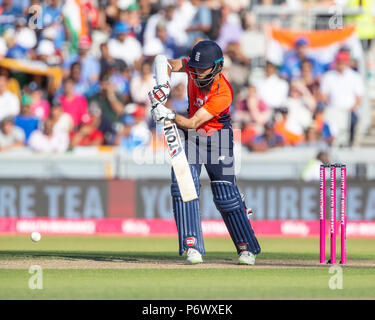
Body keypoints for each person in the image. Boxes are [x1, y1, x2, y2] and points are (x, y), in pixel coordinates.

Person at [148, 40, 261, 265]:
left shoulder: (223, 93)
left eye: (203, 69)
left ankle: (246, 247)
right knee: (183, 185)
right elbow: (163, 62)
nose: (198, 74)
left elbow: (192, 122)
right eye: (195, 69)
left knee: (225, 196)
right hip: (192, 139)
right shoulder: (192, 67)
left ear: (217, 67)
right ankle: (192, 246)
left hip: (218, 139)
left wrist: (168, 115)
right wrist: (163, 86)